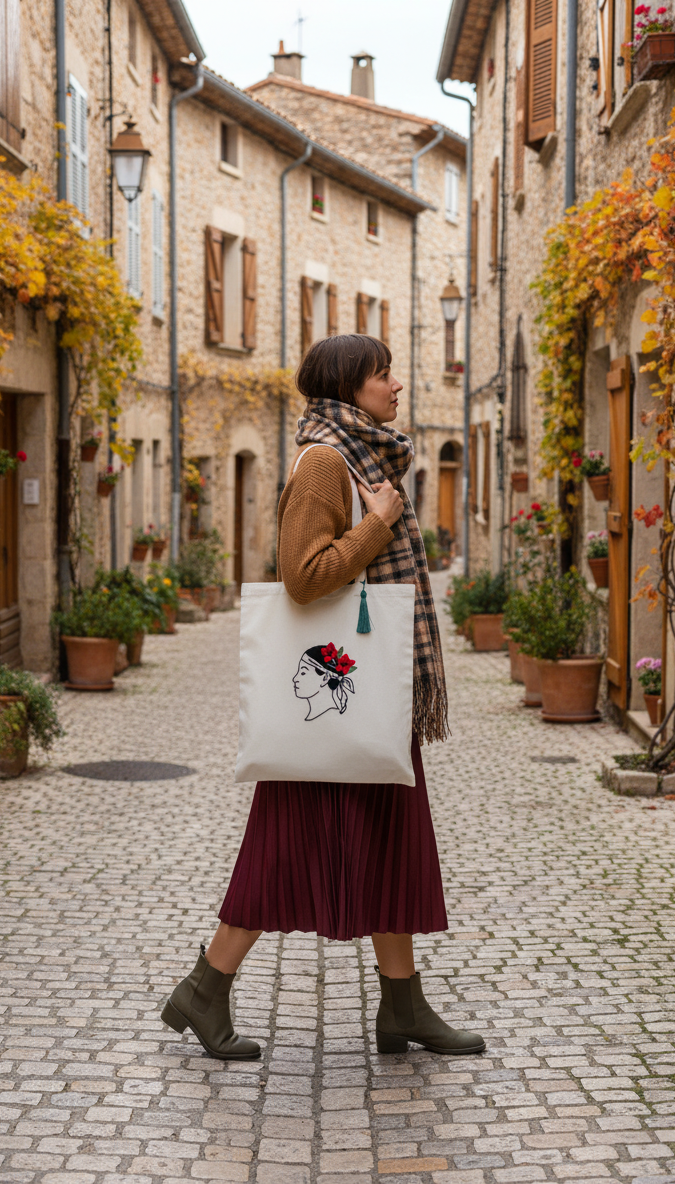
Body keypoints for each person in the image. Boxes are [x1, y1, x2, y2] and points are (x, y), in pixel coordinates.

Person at [161, 333, 485, 1061]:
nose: (396, 386)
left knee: (390, 838)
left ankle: (402, 1005)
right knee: (283, 847)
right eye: (383, 374)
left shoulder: (361, 456)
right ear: (347, 386)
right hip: (338, 703)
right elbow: (303, 577)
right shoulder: (324, 463)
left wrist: (377, 518)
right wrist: (379, 523)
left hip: (365, 697)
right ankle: (205, 988)